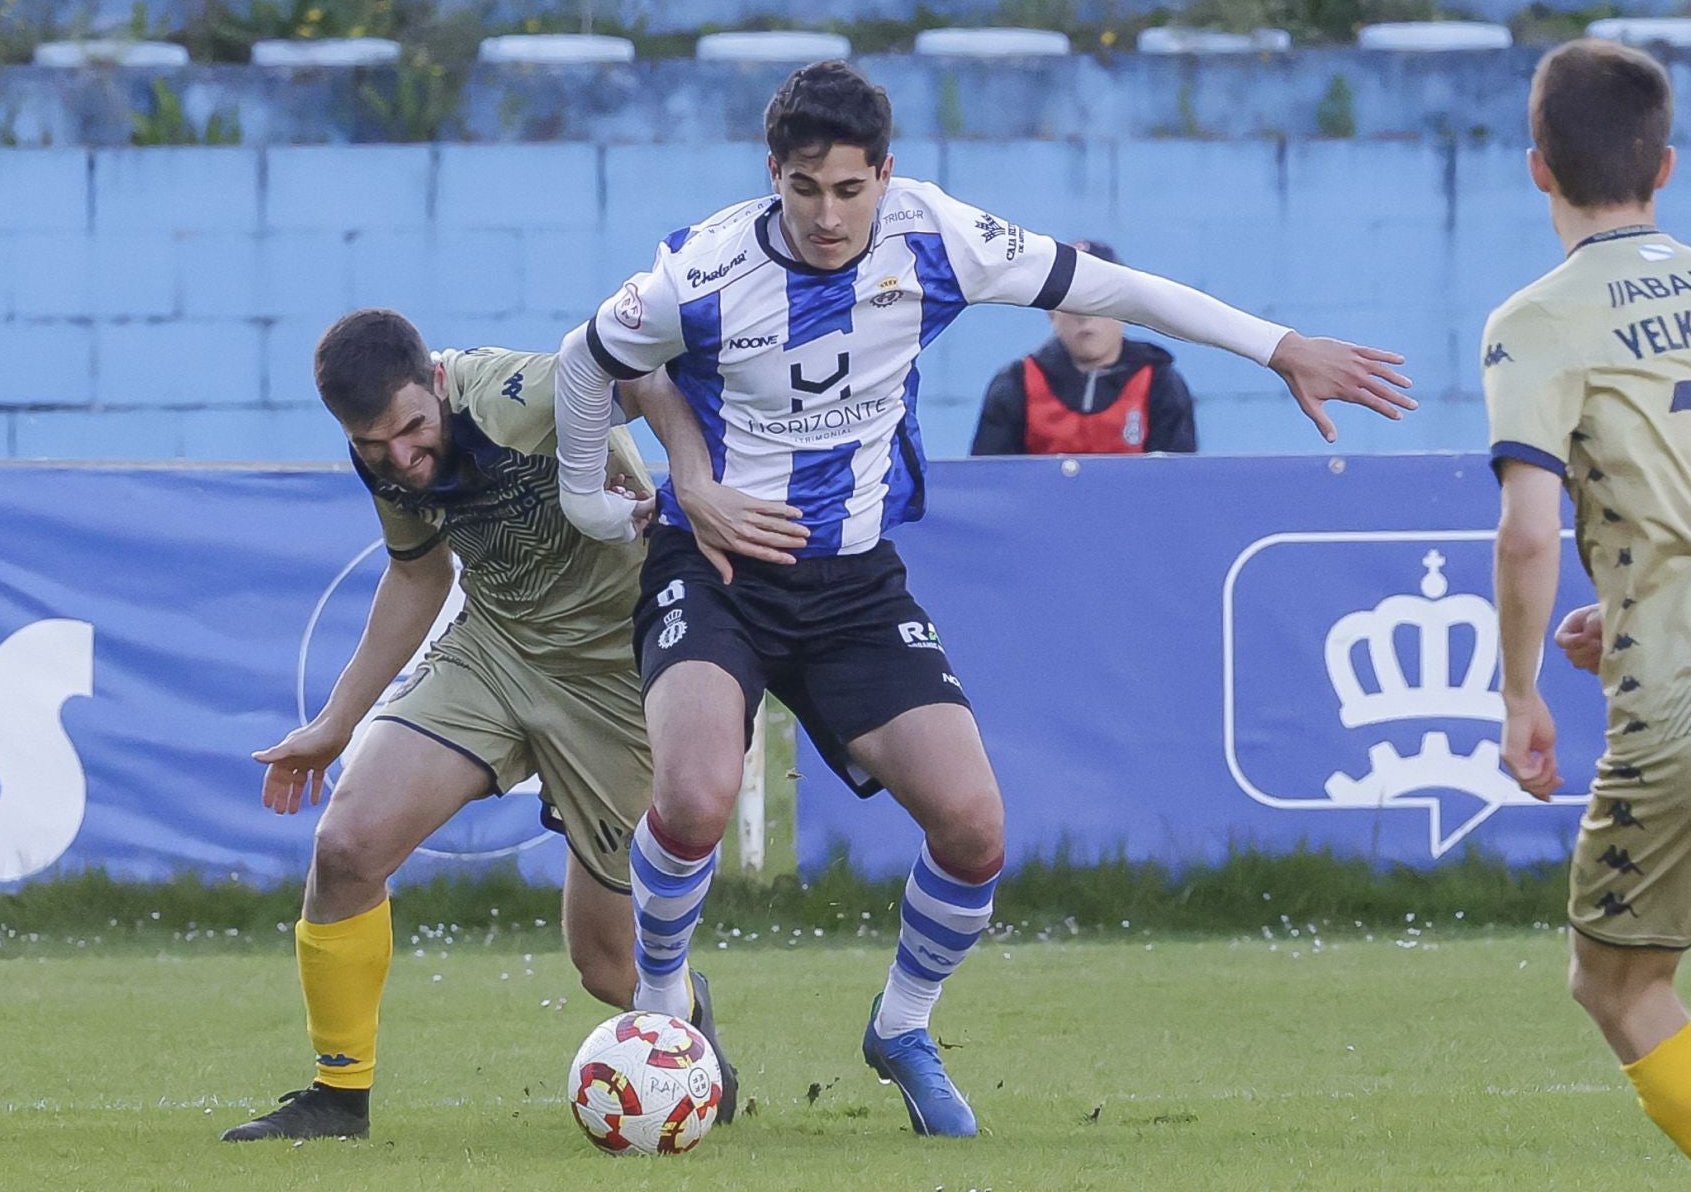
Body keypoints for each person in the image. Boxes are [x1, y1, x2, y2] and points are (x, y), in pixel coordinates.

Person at [548, 59, 1417, 1139]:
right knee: (694, 797)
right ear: (771, 174)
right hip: (716, 568)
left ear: (887, 175)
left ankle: (903, 1025)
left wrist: (1279, 345)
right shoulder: (706, 268)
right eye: (805, 188)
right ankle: (665, 1007)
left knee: (973, 826)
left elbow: (1114, 289)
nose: (828, 215)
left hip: (854, 578)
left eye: (850, 189)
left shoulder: (937, 238)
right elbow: (590, 362)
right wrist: (603, 504)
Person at [220, 309, 775, 1141]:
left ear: (436, 382)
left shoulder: (519, 395)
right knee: (346, 846)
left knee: (605, 967)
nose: (402, 459)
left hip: (620, 677)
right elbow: (417, 576)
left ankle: (685, 1015)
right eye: (377, 448)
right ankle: (338, 1101)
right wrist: (337, 723)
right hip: (497, 647)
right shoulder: (380, 447)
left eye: (412, 430)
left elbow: (639, 370)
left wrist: (688, 479)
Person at [1485, 39, 1691, 1189]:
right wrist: (1627, 609)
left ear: (1535, 169)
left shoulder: (1538, 320)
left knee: (1620, 983)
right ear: (1666, 167)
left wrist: (1519, 693)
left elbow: (1526, 528)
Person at [970, 239, 1198, 456]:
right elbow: (990, 486)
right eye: (1071, 299)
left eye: (1100, 298)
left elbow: (1177, 487)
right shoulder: (1016, 384)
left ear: (1126, 310)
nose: (1085, 314)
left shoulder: (1159, 383)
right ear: (1051, 312)